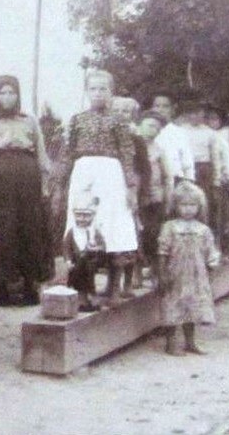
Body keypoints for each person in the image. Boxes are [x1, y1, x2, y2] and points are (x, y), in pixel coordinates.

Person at [0, 75, 51, 306]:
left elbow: (40, 152)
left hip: (27, 176)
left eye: (11, 93)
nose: (7, 97)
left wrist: (45, 185)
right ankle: (2, 288)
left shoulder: (30, 121)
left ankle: (30, 286)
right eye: (2, 93)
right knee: (2, 228)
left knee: (29, 226)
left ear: (18, 95)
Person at [63, 70, 138, 305]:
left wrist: (130, 186)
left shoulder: (118, 121)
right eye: (93, 88)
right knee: (82, 225)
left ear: (111, 92)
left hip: (111, 175)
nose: (98, 93)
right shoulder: (77, 119)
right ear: (87, 91)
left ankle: (113, 287)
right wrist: (60, 183)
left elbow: (127, 153)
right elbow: (68, 153)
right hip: (84, 173)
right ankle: (84, 289)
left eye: (103, 89)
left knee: (112, 227)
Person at [158, 180, 220, 356]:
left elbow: (210, 252)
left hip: (196, 275)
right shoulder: (170, 227)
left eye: (192, 205)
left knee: (192, 306)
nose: (188, 209)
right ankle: (170, 343)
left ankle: (190, 342)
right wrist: (162, 274)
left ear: (199, 206)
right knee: (172, 305)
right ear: (176, 205)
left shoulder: (203, 230)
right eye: (183, 205)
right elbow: (162, 252)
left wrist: (210, 270)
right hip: (175, 274)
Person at [111, 96, 149, 297]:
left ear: (132, 115)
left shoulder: (136, 138)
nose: (120, 114)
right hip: (111, 191)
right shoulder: (108, 136)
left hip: (130, 192)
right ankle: (113, 284)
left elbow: (144, 168)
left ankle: (130, 279)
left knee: (131, 236)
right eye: (116, 110)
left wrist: (139, 193)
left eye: (125, 111)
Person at [136, 110, 172, 287]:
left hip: (154, 198)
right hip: (134, 198)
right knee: (135, 235)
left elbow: (167, 176)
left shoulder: (158, 150)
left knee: (153, 234)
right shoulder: (132, 146)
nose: (154, 130)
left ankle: (156, 271)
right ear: (139, 125)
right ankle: (135, 273)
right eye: (150, 125)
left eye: (158, 128)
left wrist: (167, 198)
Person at [63, 195, 106, 312]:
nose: (82, 219)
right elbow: (67, 248)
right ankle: (81, 299)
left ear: (92, 216)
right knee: (77, 276)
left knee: (88, 275)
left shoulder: (94, 232)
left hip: (90, 263)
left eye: (86, 216)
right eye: (79, 215)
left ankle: (90, 296)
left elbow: (103, 246)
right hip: (76, 264)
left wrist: (96, 248)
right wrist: (68, 260)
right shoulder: (72, 232)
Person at [206, 105, 229, 259]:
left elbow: (228, 159)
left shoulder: (220, 138)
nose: (212, 122)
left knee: (224, 215)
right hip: (207, 179)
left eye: (215, 119)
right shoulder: (204, 136)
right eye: (209, 119)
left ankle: (226, 248)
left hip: (221, 180)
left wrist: (228, 174)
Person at [152, 93, 196, 185]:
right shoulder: (145, 132)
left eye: (165, 106)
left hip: (176, 179)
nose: (160, 110)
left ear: (172, 109)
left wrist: (189, 181)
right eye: (157, 106)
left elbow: (187, 162)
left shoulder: (180, 132)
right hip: (153, 181)